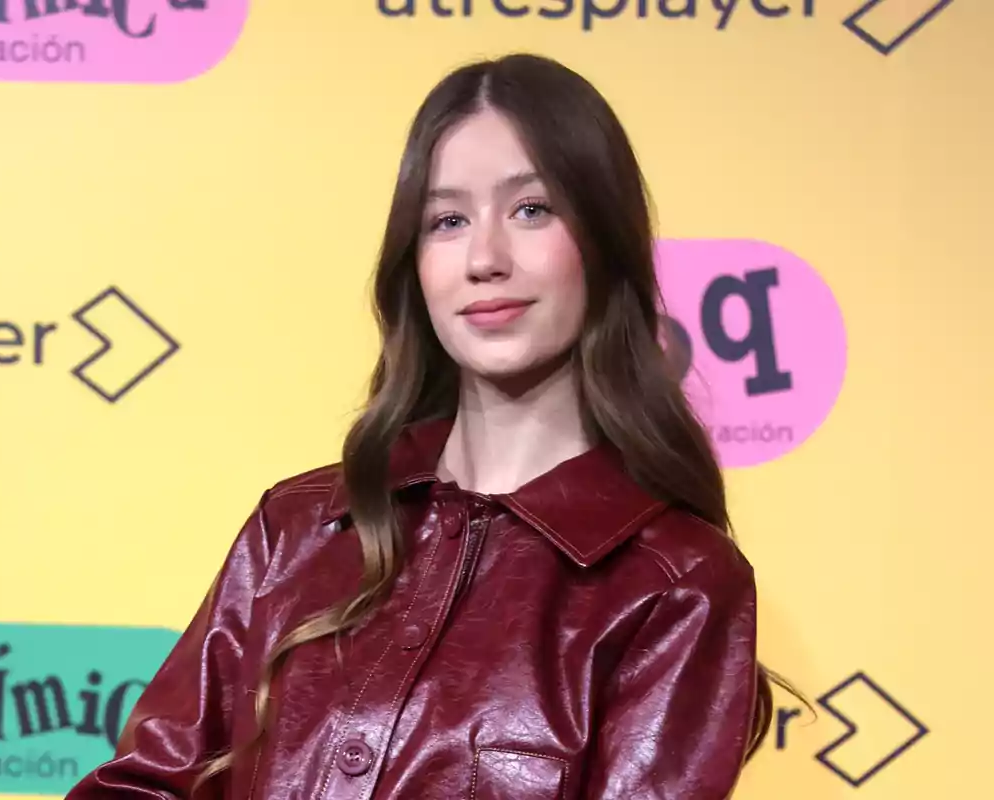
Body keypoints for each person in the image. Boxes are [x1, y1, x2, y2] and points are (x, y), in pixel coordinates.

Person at [66, 52, 783, 799]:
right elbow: (143, 785)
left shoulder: (675, 583)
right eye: (447, 220)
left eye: (532, 209)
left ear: (603, 243)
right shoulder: (298, 526)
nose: (484, 257)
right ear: (415, 265)